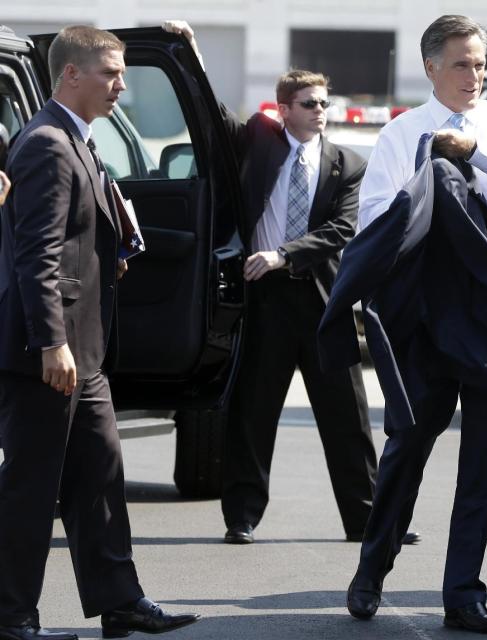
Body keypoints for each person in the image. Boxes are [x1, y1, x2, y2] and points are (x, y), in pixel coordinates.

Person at [160, 21, 420, 548]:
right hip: (265, 303)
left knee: (346, 418)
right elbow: (212, 114)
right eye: (308, 103)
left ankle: (366, 520)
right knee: (253, 413)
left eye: (323, 102)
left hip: (325, 300)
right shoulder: (258, 140)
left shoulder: (348, 163)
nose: (319, 110)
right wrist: (190, 50)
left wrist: (281, 255)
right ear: (284, 109)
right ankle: (243, 517)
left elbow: (342, 229)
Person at [343, 14, 487, 634]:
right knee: (408, 441)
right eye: (461, 64)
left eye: (480, 64)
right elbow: (376, 220)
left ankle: (462, 593)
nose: (474, 76)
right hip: (428, 303)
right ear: (431, 67)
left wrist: (475, 155)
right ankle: (370, 571)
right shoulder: (402, 133)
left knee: (484, 461)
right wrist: (431, 181)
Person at [0, 25, 199, 640]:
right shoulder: (48, 145)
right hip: (48, 352)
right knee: (32, 487)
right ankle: (11, 615)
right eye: (110, 72)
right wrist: (49, 342)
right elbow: (37, 256)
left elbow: (75, 236)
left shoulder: (79, 140)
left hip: (83, 352)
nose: (121, 83)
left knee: (101, 475)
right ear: (71, 76)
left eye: (122, 72)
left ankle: (119, 601)